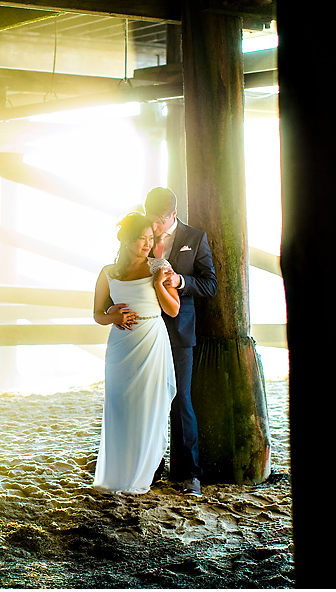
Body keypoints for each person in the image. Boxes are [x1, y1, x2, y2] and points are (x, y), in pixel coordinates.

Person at [91, 212, 180, 495]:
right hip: (120, 347)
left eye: (150, 239)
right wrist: (112, 315)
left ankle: (142, 475)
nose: (147, 244)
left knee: (147, 408)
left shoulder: (160, 267)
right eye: (141, 238)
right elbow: (96, 314)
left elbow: (173, 309)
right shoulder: (108, 272)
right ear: (126, 240)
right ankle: (117, 475)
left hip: (151, 340)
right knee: (120, 408)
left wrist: (157, 285)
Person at [144, 186, 218, 497]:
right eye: (152, 219)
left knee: (181, 401)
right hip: (146, 330)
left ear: (173, 214)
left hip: (180, 330)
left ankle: (191, 476)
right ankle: (150, 468)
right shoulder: (142, 233)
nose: (155, 226)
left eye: (160, 220)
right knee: (148, 400)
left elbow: (210, 284)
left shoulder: (195, 238)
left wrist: (181, 281)